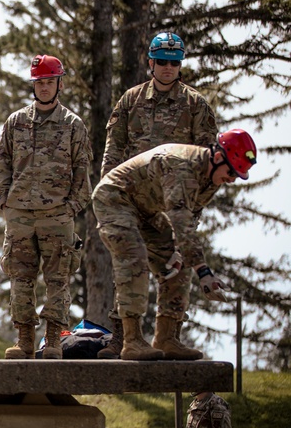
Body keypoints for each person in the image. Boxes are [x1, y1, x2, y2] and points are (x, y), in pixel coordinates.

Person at [98, 32, 219, 358]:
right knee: (129, 261)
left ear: (180, 65)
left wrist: (190, 212)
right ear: (150, 62)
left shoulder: (195, 105)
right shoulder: (131, 101)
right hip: (131, 196)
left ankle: (168, 335)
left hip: (174, 202)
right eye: (162, 61)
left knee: (176, 266)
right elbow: (112, 154)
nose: (168, 68)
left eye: (174, 62)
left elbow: (208, 162)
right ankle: (123, 338)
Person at [92, 129, 257, 360]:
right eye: (231, 172)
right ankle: (132, 341)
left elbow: (191, 219)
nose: (231, 179)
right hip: (114, 198)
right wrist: (205, 272)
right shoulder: (182, 166)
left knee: (180, 262)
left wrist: (185, 255)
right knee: (134, 257)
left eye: (237, 176)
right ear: (218, 157)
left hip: (146, 211)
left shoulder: (212, 178)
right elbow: (180, 220)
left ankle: (167, 337)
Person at [0, 55, 91, 359]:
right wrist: (4, 202)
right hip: (20, 216)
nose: (44, 88)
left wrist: (70, 208)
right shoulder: (16, 122)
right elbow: (2, 163)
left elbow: (83, 171)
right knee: (20, 279)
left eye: (49, 82)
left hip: (57, 216)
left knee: (58, 281)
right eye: (40, 83)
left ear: (59, 83)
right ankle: (24, 340)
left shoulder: (73, 125)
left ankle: (52, 341)